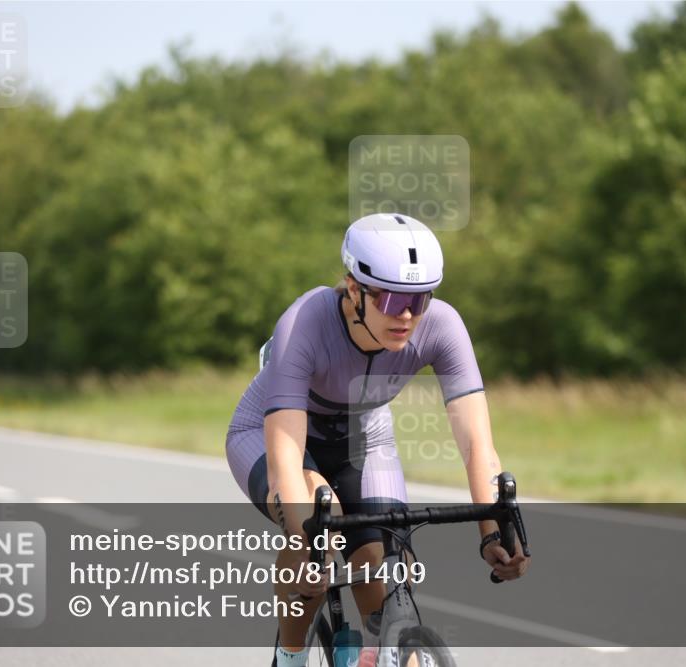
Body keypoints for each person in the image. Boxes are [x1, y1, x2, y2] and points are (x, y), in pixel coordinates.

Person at [225, 213, 530, 667]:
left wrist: (494, 532)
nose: (407, 315)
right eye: (390, 299)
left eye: (419, 298)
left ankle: (383, 652)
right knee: (315, 523)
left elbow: (477, 446)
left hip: (364, 437)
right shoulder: (305, 322)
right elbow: (287, 453)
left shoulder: (442, 326)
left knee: (385, 559)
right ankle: (288, 656)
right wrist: (306, 540)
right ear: (354, 290)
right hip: (275, 434)